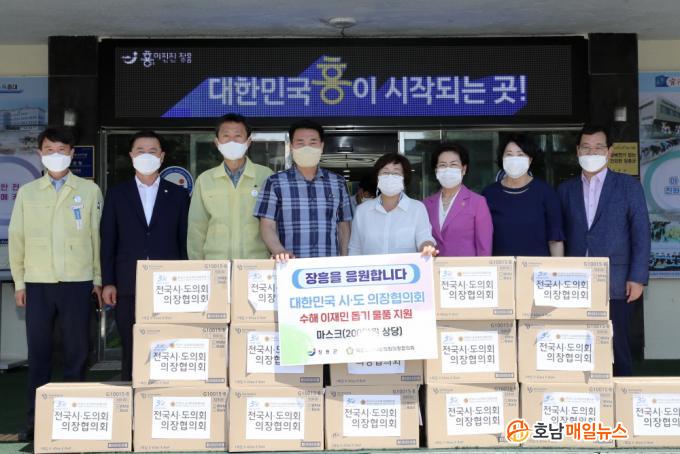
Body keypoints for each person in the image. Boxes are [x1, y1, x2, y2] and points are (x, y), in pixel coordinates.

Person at [8, 127, 103, 441]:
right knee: (39, 354)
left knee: (77, 353)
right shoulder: (28, 192)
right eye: (49, 149)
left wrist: (98, 280)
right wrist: (20, 283)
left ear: (72, 153)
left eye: (62, 149)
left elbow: (97, 238)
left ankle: (72, 420)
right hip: (38, 283)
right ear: (40, 154)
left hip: (78, 282)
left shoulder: (89, 190)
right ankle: (36, 423)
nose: (56, 155)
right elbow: (17, 239)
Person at [558, 124, 651, 376]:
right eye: (586, 147)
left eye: (599, 147)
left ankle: (621, 394)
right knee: (579, 345)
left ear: (610, 152)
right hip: (575, 283)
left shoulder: (628, 186)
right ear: (578, 151)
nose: (592, 152)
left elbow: (641, 233)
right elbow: (559, 235)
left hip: (617, 282)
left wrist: (637, 277)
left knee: (618, 346)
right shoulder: (565, 189)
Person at [100, 130, 189, 381]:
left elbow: (184, 241)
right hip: (128, 282)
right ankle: (131, 392)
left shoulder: (178, 195)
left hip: (168, 284)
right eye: (140, 151)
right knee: (130, 344)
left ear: (162, 156)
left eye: (152, 151)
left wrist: (184, 277)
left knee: (166, 343)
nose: (146, 155)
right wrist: (108, 281)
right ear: (131, 155)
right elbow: (108, 240)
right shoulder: (117, 194)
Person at [254, 119, 352, 260]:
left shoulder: (338, 183)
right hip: (290, 266)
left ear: (322, 146)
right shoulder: (274, 183)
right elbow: (267, 225)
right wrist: (279, 251)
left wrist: (344, 260)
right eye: (300, 142)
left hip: (328, 266)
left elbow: (344, 226)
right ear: (291, 146)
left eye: (313, 142)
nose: (307, 148)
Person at [188, 113, 273, 259]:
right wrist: (197, 265)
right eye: (226, 135)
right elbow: (197, 227)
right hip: (215, 264)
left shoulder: (266, 176)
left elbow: (275, 224)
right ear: (217, 142)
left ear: (248, 141)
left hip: (256, 264)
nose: (231, 141)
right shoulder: (205, 180)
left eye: (238, 136)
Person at [482, 133, 564, 256]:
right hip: (501, 266)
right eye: (509, 154)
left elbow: (555, 240)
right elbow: (482, 239)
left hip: (537, 266)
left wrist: (557, 267)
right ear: (502, 158)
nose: (514, 159)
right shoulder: (489, 194)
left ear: (530, 159)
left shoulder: (546, 193)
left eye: (520, 155)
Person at [349, 153, 437, 256]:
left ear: (404, 178)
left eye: (396, 173)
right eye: (385, 172)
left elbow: (424, 238)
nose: (390, 176)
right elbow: (355, 248)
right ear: (377, 178)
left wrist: (427, 248)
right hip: (371, 267)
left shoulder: (417, 208)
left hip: (406, 266)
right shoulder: (362, 211)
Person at [423, 144, 493, 256]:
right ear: (436, 171)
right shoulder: (426, 204)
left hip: (465, 267)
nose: (448, 169)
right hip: (433, 266)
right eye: (442, 165)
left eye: (453, 164)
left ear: (463, 169)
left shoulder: (478, 202)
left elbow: (484, 247)